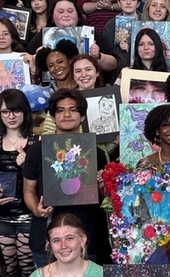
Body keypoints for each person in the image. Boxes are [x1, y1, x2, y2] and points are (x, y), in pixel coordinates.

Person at [22, 89, 109, 267]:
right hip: (47, 234)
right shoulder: (37, 150)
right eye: (60, 110)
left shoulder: (96, 153)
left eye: (73, 109)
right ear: (53, 117)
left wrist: (102, 186)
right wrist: (36, 209)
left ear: (82, 116)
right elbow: (29, 189)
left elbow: (101, 200)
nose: (67, 114)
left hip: (87, 235)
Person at [0, 90, 36, 277]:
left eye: (16, 111)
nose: (11, 116)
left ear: (25, 112)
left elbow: (46, 183)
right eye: (5, 112)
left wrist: (28, 167)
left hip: (29, 216)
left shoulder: (37, 141)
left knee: (28, 270)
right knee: (5, 272)